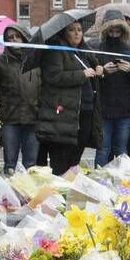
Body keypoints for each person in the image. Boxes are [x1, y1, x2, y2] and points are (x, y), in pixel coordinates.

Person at [36, 19, 96, 176]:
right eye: (72, 30)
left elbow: (92, 69)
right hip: (65, 113)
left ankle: (70, 186)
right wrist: (81, 75)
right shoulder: (56, 51)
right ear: (64, 32)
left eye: (79, 30)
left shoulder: (82, 52)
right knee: (62, 158)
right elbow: (53, 76)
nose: (77, 33)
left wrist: (99, 69)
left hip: (85, 110)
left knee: (76, 157)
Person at [86, 9, 130, 167]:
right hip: (103, 107)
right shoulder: (94, 46)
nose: (115, 32)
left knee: (121, 149)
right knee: (103, 148)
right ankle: (100, 180)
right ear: (105, 29)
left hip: (126, 108)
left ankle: (121, 180)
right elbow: (89, 76)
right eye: (111, 29)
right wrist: (103, 72)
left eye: (118, 29)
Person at [0, 26, 41, 176]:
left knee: (31, 165)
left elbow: (42, 86)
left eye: (17, 36)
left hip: (33, 119)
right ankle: (9, 197)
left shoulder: (35, 60)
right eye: (10, 38)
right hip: (9, 119)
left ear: (24, 38)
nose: (13, 40)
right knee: (10, 165)